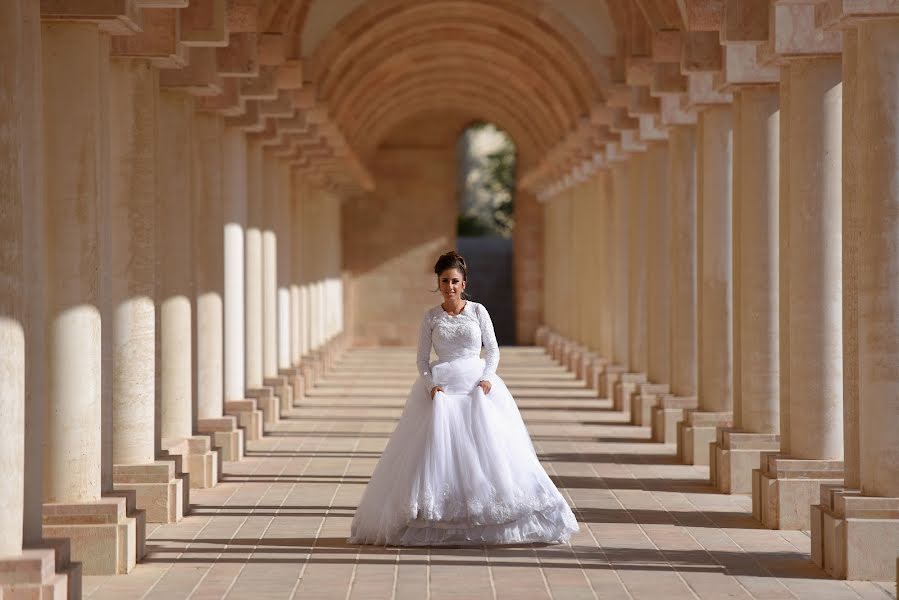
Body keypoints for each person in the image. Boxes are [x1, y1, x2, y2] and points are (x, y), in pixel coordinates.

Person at [348, 250, 579, 546]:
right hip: (443, 390)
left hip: (476, 387)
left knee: (487, 449)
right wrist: (431, 386)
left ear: (464, 282)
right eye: (444, 281)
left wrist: (487, 378)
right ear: (438, 283)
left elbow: (493, 350)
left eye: (455, 281)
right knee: (439, 453)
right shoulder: (430, 318)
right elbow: (421, 360)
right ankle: (437, 520)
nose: (450, 287)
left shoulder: (479, 311)